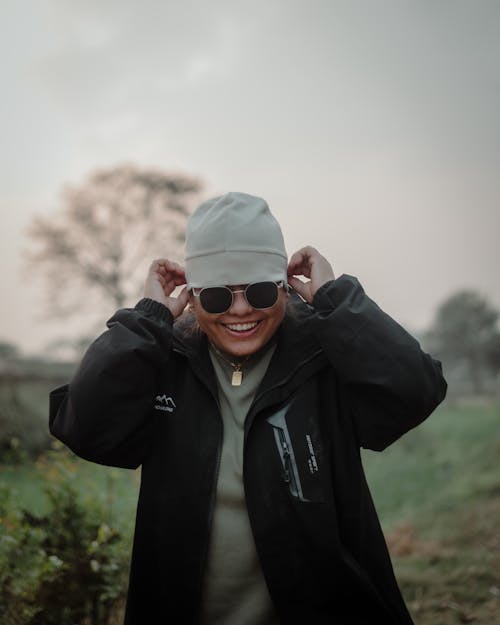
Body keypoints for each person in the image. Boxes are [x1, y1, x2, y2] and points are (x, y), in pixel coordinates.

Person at [49, 191, 447, 625]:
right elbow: (85, 428)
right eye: (218, 296)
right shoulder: (165, 363)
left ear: (283, 286)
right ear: (192, 295)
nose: (240, 310)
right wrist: (147, 319)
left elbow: (416, 392)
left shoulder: (324, 357)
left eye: (258, 290)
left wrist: (335, 297)